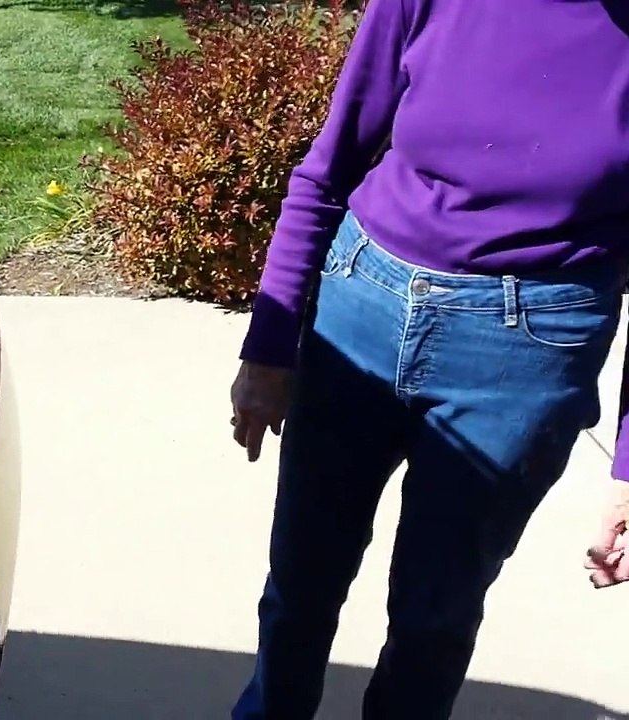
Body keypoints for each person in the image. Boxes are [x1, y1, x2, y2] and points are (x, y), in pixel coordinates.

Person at [228, 1, 629, 717]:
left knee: (433, 619)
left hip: (526, 352)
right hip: (362, 305)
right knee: (300, 583)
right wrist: (269, 348)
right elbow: (328, 168)